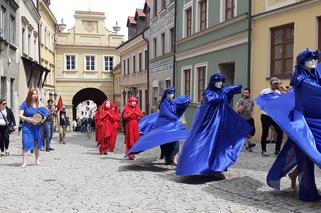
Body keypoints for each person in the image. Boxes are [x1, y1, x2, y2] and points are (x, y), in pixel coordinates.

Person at [256, 49, 321, 202]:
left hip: (317, 120)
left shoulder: (316, 76)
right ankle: (307, 191)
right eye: (309, 60)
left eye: (314, 59)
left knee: (308, 154)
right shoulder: (300, 78)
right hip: (303, 124)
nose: (313, 62)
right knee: (308, 156)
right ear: (301, 62)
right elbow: (316, 91)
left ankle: (293, 175)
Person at [176, 73, 252, 177]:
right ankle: (199, 166)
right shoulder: (209, 92)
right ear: (213, 82)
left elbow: (234, 88)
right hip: (210, 124)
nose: (219, 83)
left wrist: (237, 87)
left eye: (221, 81)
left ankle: (218, 168)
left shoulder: (222, 91)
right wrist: (222, 96)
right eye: (217, 81)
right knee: (207, 143)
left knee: (220, 145)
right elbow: (210, 100)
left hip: (221, 122)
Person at [128, 87, 191, 165]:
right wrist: (176, 119)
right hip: (164, 127)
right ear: (167, 95)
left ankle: (175, 158)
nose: (173, 95)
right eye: (171, 94)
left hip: (172, 126)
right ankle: (168, 159)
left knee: (175, 141)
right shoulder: (163, 104)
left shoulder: (172, 103)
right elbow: (166, 113)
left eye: (173, 93)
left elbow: (179, 104)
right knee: (166, 143)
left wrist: (187, 100)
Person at [19, 89, 48, 167]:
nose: (35, 95)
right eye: (33, 94)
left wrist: (42, 119)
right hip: (27, 126)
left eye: (36, 94)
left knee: (36, 143)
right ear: (30, 95)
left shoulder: (39, 104)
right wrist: (29, 119)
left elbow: (45, 114)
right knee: (25, 142)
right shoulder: (25, 104)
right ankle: (24, 162)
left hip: (37, 127)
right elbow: (20, 115)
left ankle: (37, 160)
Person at [259, 77, 283, 156]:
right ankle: (263, 150)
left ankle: (277, 150)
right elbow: (261, 102)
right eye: (275, 83)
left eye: (277, 83)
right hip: (265, 115)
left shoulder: (278, 92)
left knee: (280, 132)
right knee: (265, 133)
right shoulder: (265, 91)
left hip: (274, 116)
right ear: (271, 83)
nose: (276, 85)